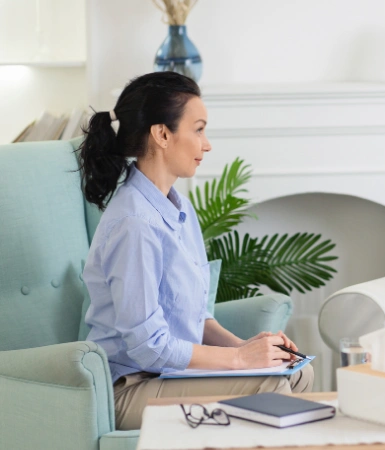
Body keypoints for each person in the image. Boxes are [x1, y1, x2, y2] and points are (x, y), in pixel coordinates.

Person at [78, 71, 313, 430]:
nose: (207, 144)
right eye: (199, 130)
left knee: (297, 372)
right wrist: (239, 360)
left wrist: (248, 349)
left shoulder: (179, 209)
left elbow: (195, 318)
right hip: (130, 387)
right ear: (162, 134)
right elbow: (148, 347)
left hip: (170, 375)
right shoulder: (135, 224)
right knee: (269, 386)